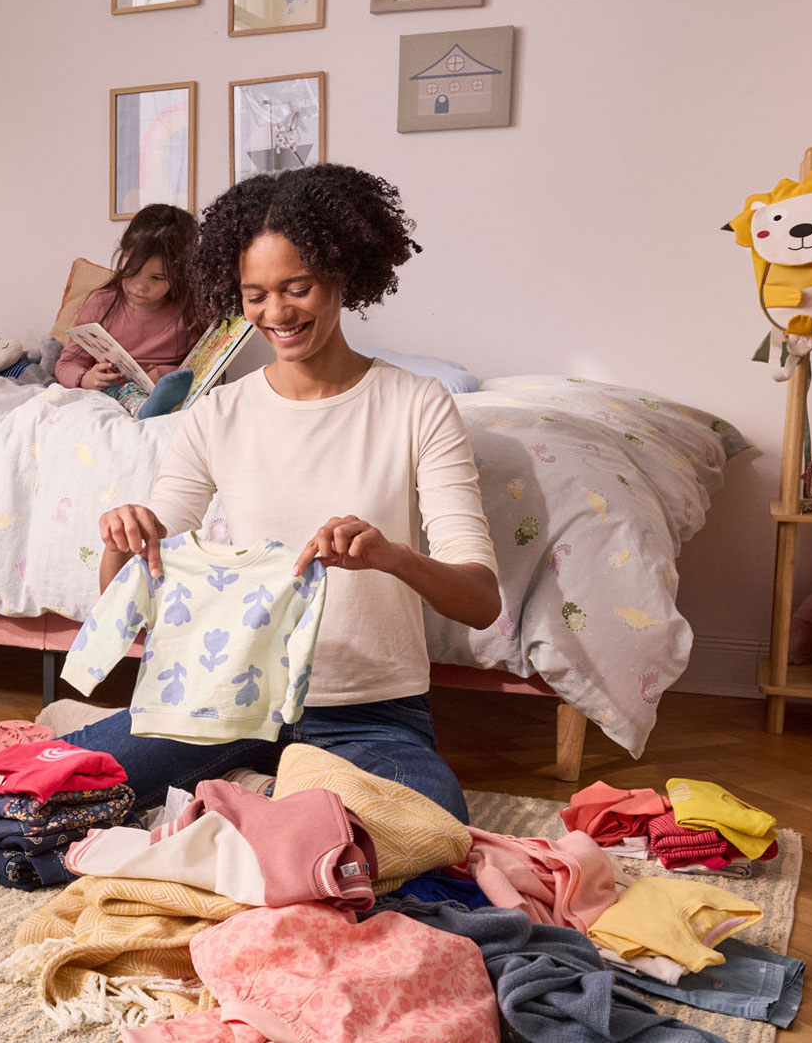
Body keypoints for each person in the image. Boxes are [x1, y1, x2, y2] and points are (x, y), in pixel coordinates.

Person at [59, 163, 500, 823]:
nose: (277, 313)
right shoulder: (216, 414)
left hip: (370, 717)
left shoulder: (417, 405)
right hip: (223, 701)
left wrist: (392, 557)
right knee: (43, 795)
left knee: (430, 835)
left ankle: (249, 802)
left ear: (343, 274)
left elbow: (482, 601)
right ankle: (263, 795)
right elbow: (136, 599)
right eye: (255, 295)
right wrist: (122, 541)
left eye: (298, 287)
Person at [55, 203, 204, 417]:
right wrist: (86, 378)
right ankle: (144, 409)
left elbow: (204, 370)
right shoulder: (101, 304)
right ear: (122, 255)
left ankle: (153, 405)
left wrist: (164, 375)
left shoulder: (188, 312)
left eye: (157, 278)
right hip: (107, 392)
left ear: (180, 274)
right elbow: (66, 364)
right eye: (132, 272)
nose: (140, 286)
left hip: (164, 395)